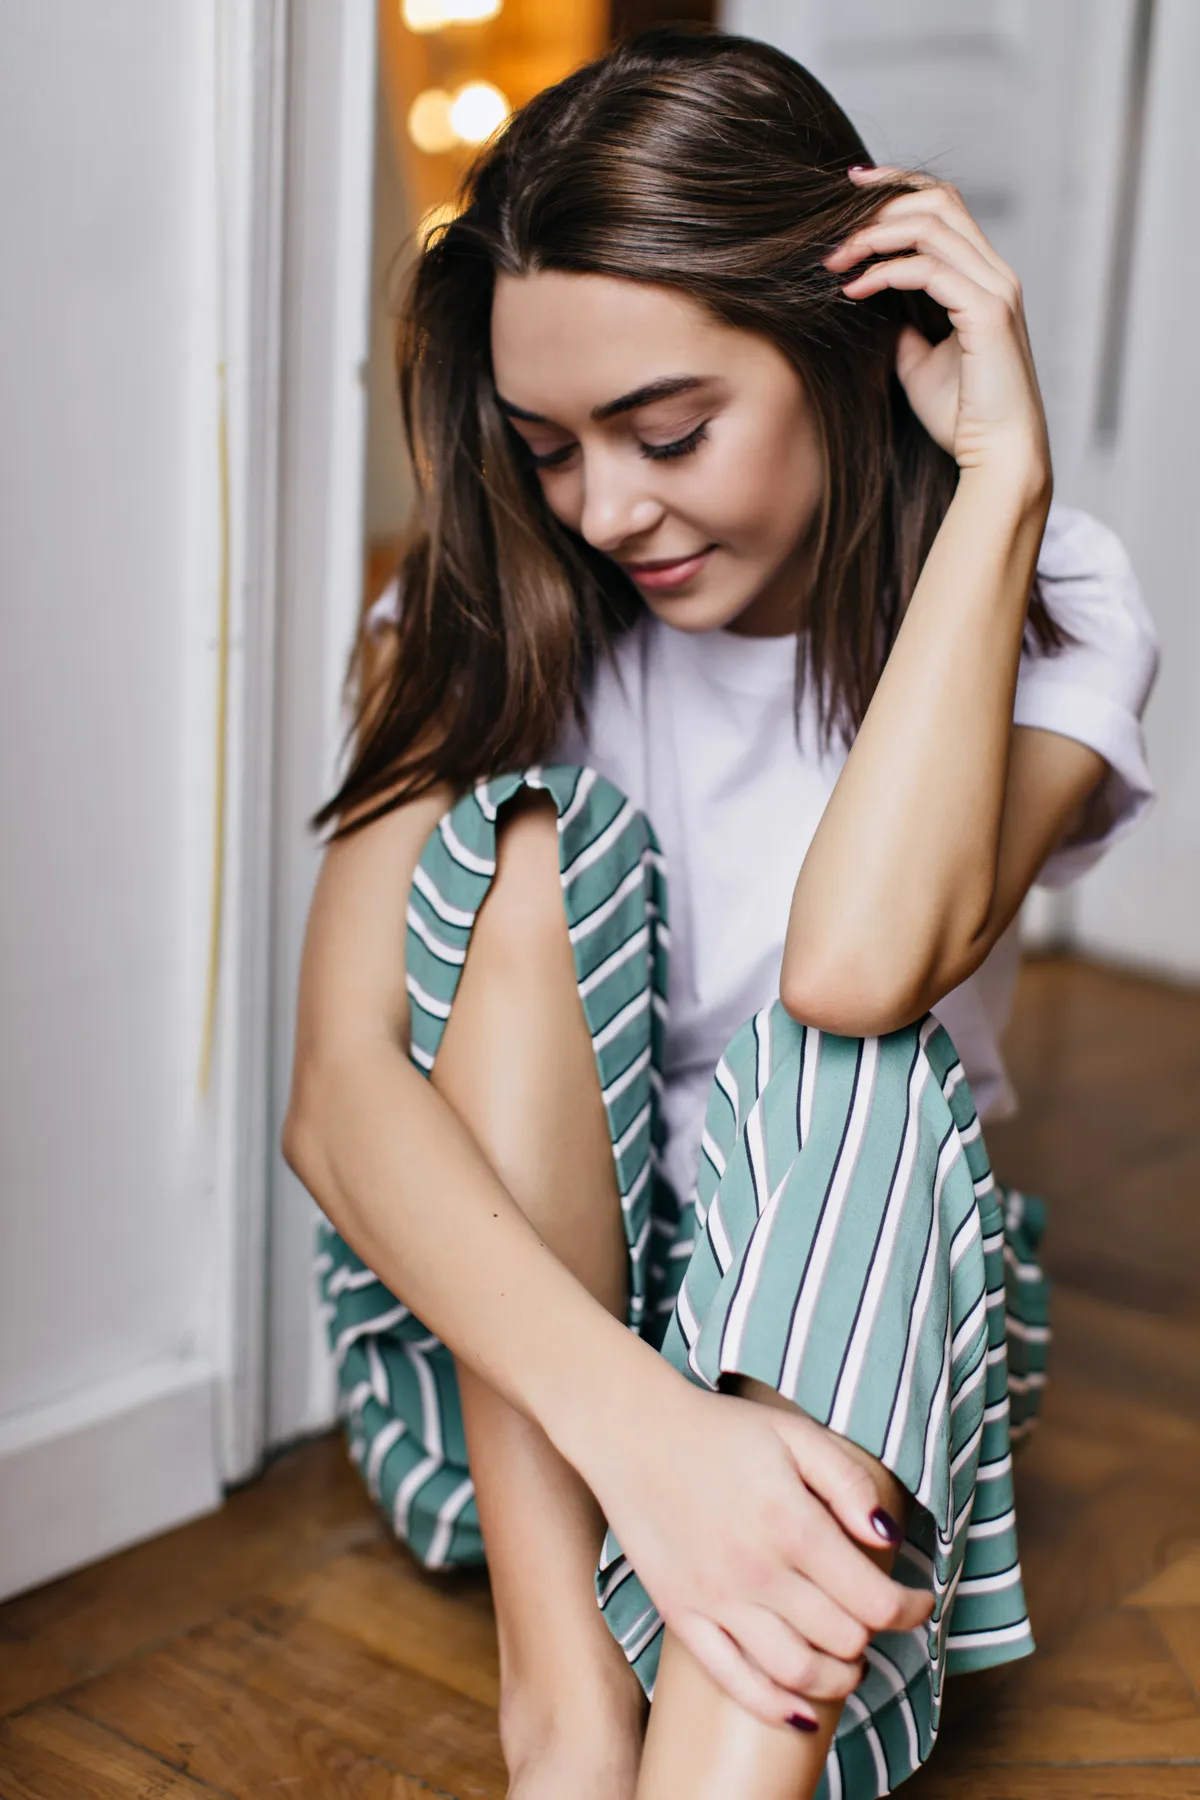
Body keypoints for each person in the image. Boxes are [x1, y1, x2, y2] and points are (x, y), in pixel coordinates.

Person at [282, 26, 1159, 1800]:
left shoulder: (1044, 593)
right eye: (547, 448)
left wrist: (997, 489)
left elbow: (857, 969)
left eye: (667, 431)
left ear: (845, 353)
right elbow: (340, 1102)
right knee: (536, 845)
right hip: (511, 1369)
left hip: (848, 1333)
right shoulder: (481, 604)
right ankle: (568, 1713)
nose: (606, 508)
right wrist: (651, 1437)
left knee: (862, 1064)